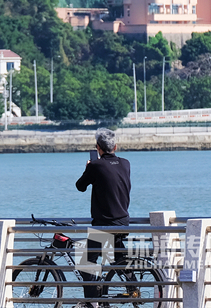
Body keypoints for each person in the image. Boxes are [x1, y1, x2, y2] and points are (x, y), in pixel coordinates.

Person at [74, 127, 130, 308]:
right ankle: (134, 288)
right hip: (123, 222)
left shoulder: (96, 166)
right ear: (116, 147)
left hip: (104, 224)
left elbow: (80, 186)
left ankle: (92, 303)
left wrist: (88, 168)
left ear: (97, 147)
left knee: (86, 262)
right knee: (120, 261)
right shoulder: (126, 163)